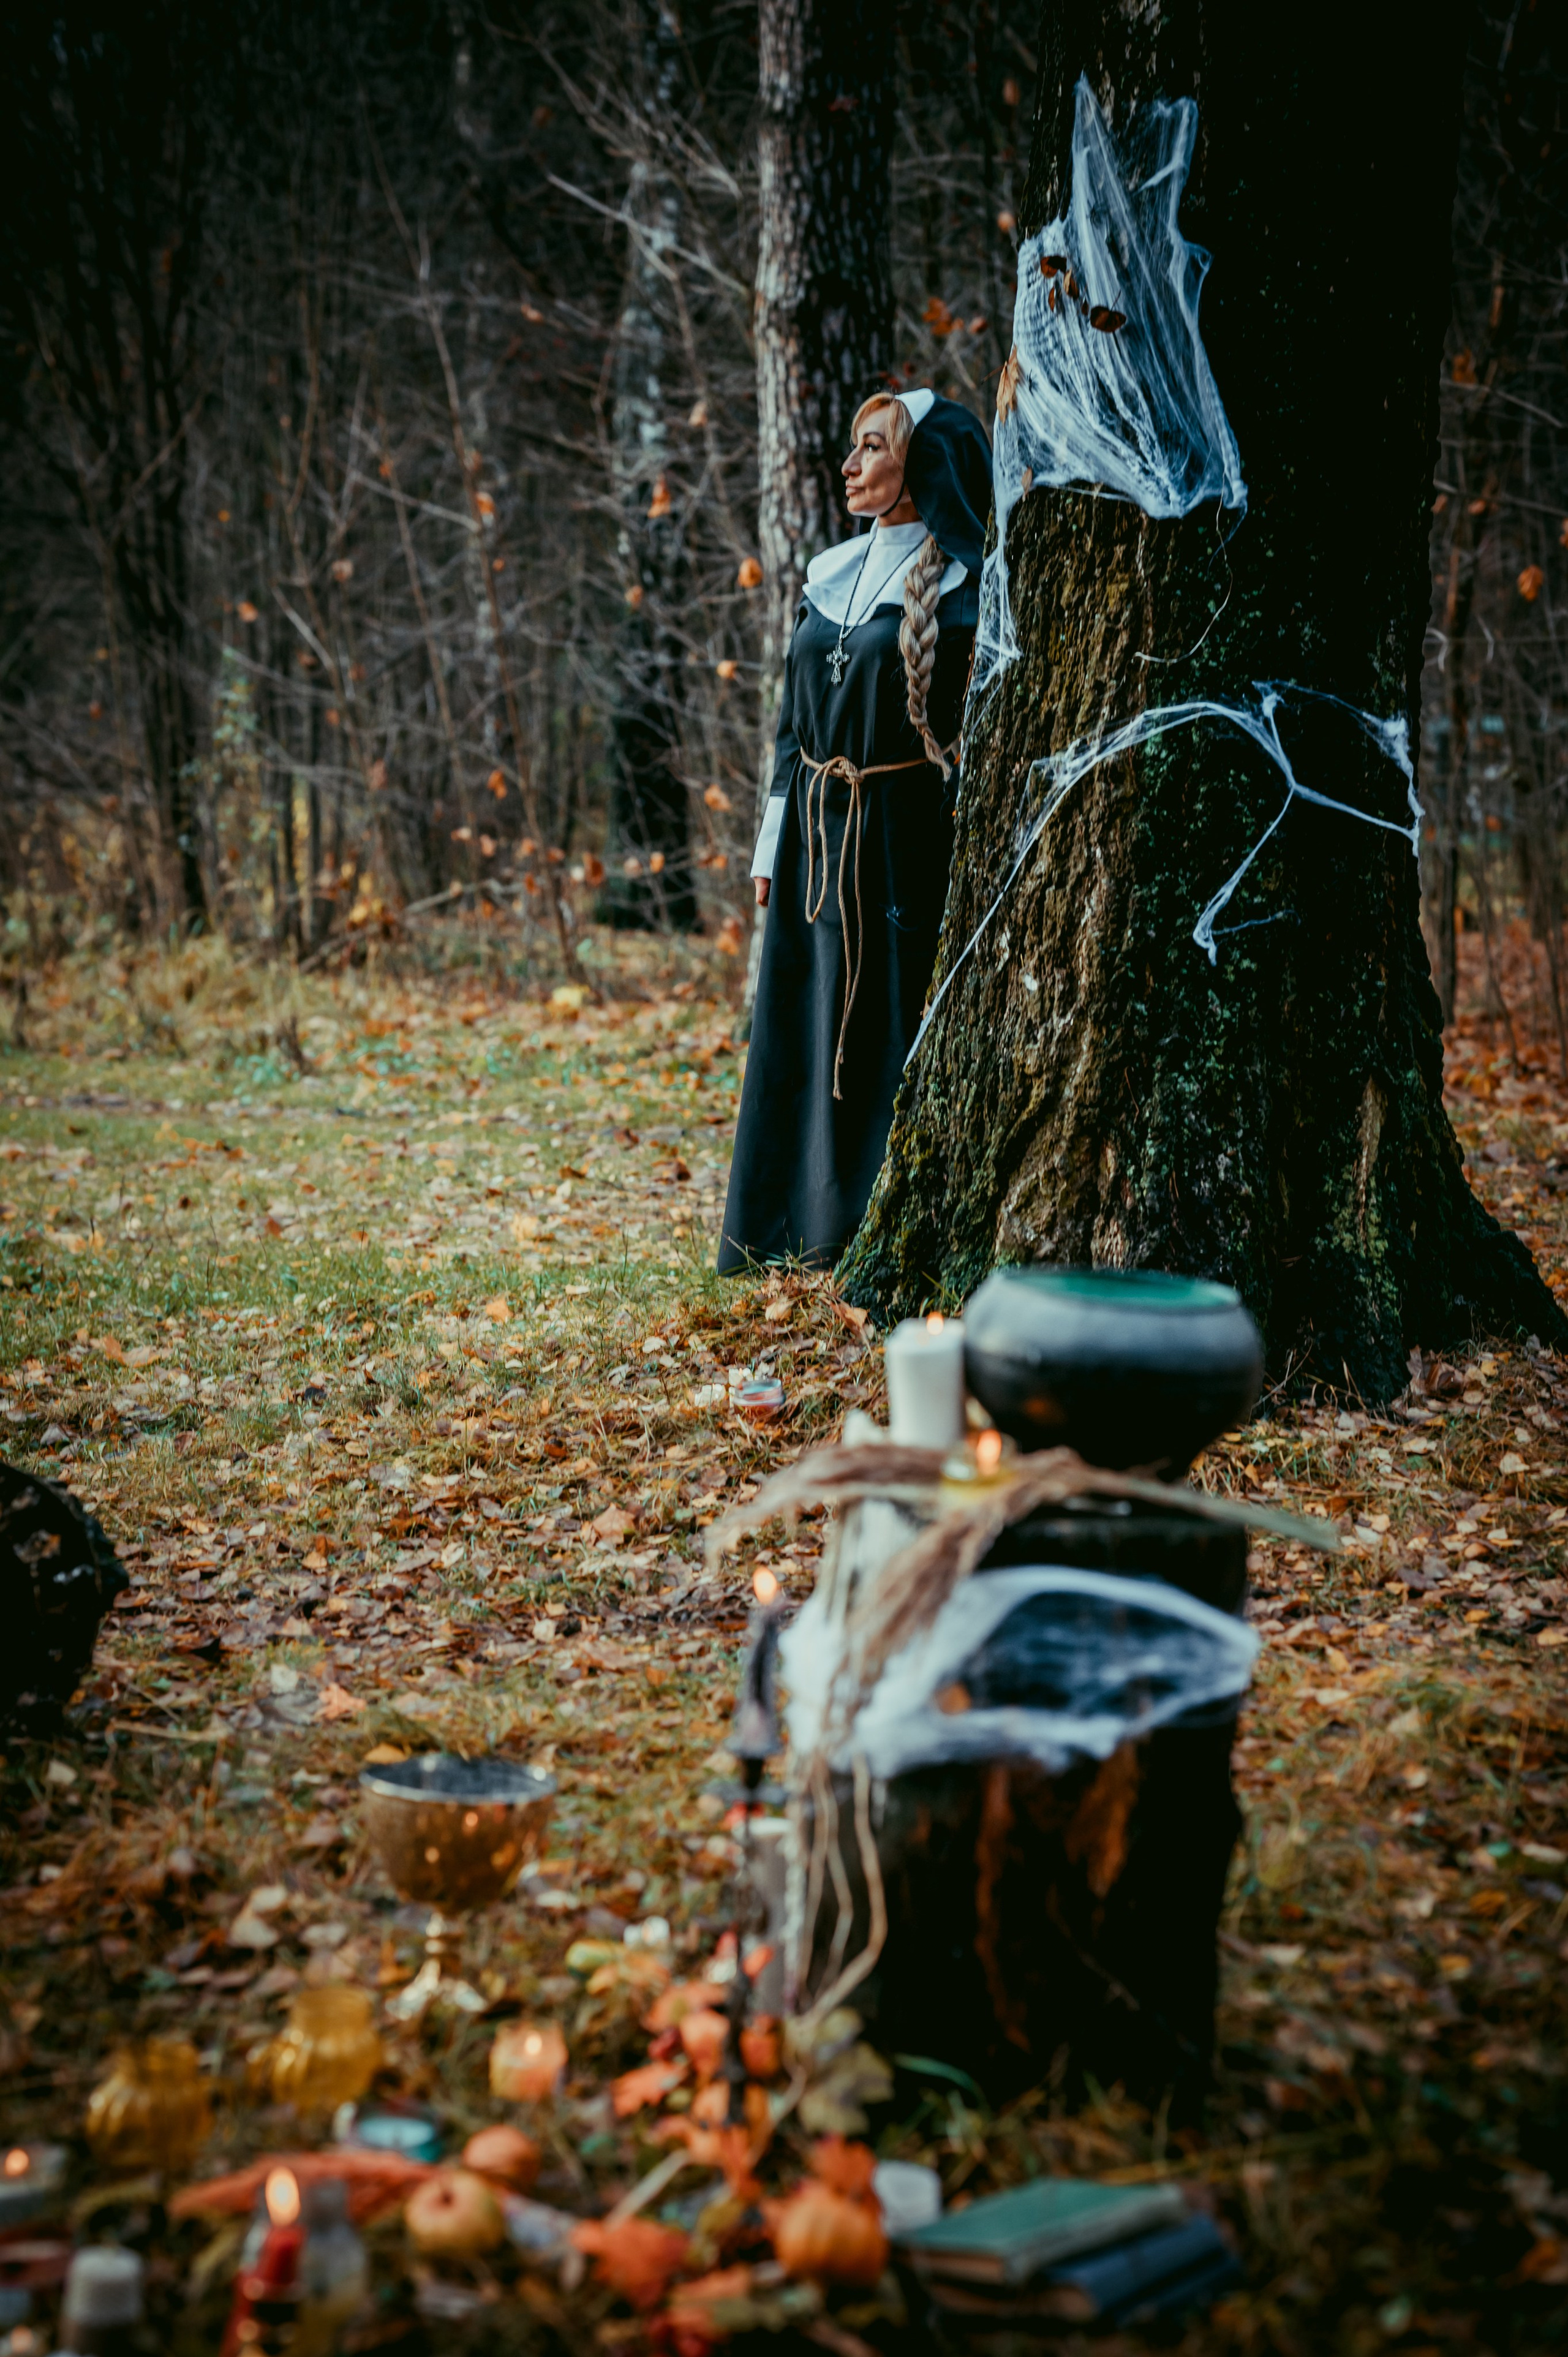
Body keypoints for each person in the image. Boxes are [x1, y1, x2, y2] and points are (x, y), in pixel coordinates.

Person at [717, 388, 992, 1273]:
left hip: (897, 840)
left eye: (873, 448)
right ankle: (777, 1225)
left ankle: (857, 1229)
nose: (850, 465)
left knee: (878, 1027)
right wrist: (770, 845)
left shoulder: (964, 593)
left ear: (921, 465)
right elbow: (790, 728)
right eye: (854, 446)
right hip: (811, 837)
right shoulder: (830, 573)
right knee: (803, 1018)